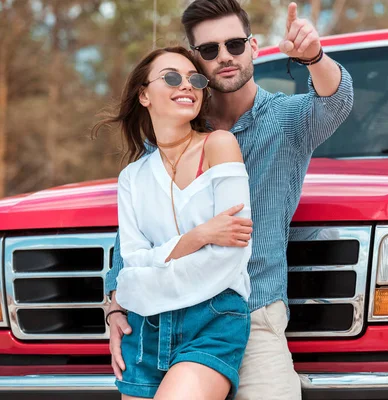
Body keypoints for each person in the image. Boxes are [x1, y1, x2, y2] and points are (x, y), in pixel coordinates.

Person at [104, 1, 354, 399]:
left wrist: (314, 57)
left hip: (253, 312)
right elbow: (135, 235)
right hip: (161, 316)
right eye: (208, 50)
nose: (224, 56)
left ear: (254, 46)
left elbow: (335, 101)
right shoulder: (165, 138)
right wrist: (115, 303)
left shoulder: (287, 120)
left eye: (235, 44)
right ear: (195, 62)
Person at [94, 46, 252, 399]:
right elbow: (130, 266)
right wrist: (198, 236)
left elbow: (231, 253)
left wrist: (147, 280)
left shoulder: (220, 145)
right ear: (145, 95)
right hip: (144, 330)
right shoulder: (131, 178)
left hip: (213, 320)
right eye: (171, 77)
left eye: (195, 79)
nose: (187, 86)